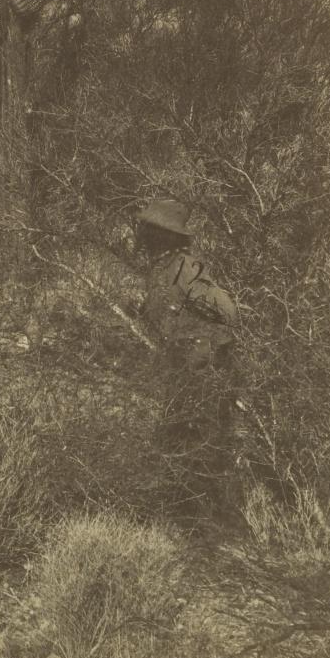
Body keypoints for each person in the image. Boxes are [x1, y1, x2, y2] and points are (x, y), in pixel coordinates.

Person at [133, 196, 241, 514]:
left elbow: (228, 310)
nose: (144, 235)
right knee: (177, 436)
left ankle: (208, 516)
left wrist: (201, 341)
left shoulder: (183, 266)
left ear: (167, 235)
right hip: (181, 366)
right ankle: (186, 511)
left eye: (152, 229)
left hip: (201, 366)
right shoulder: (161, 267)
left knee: (200, 438)